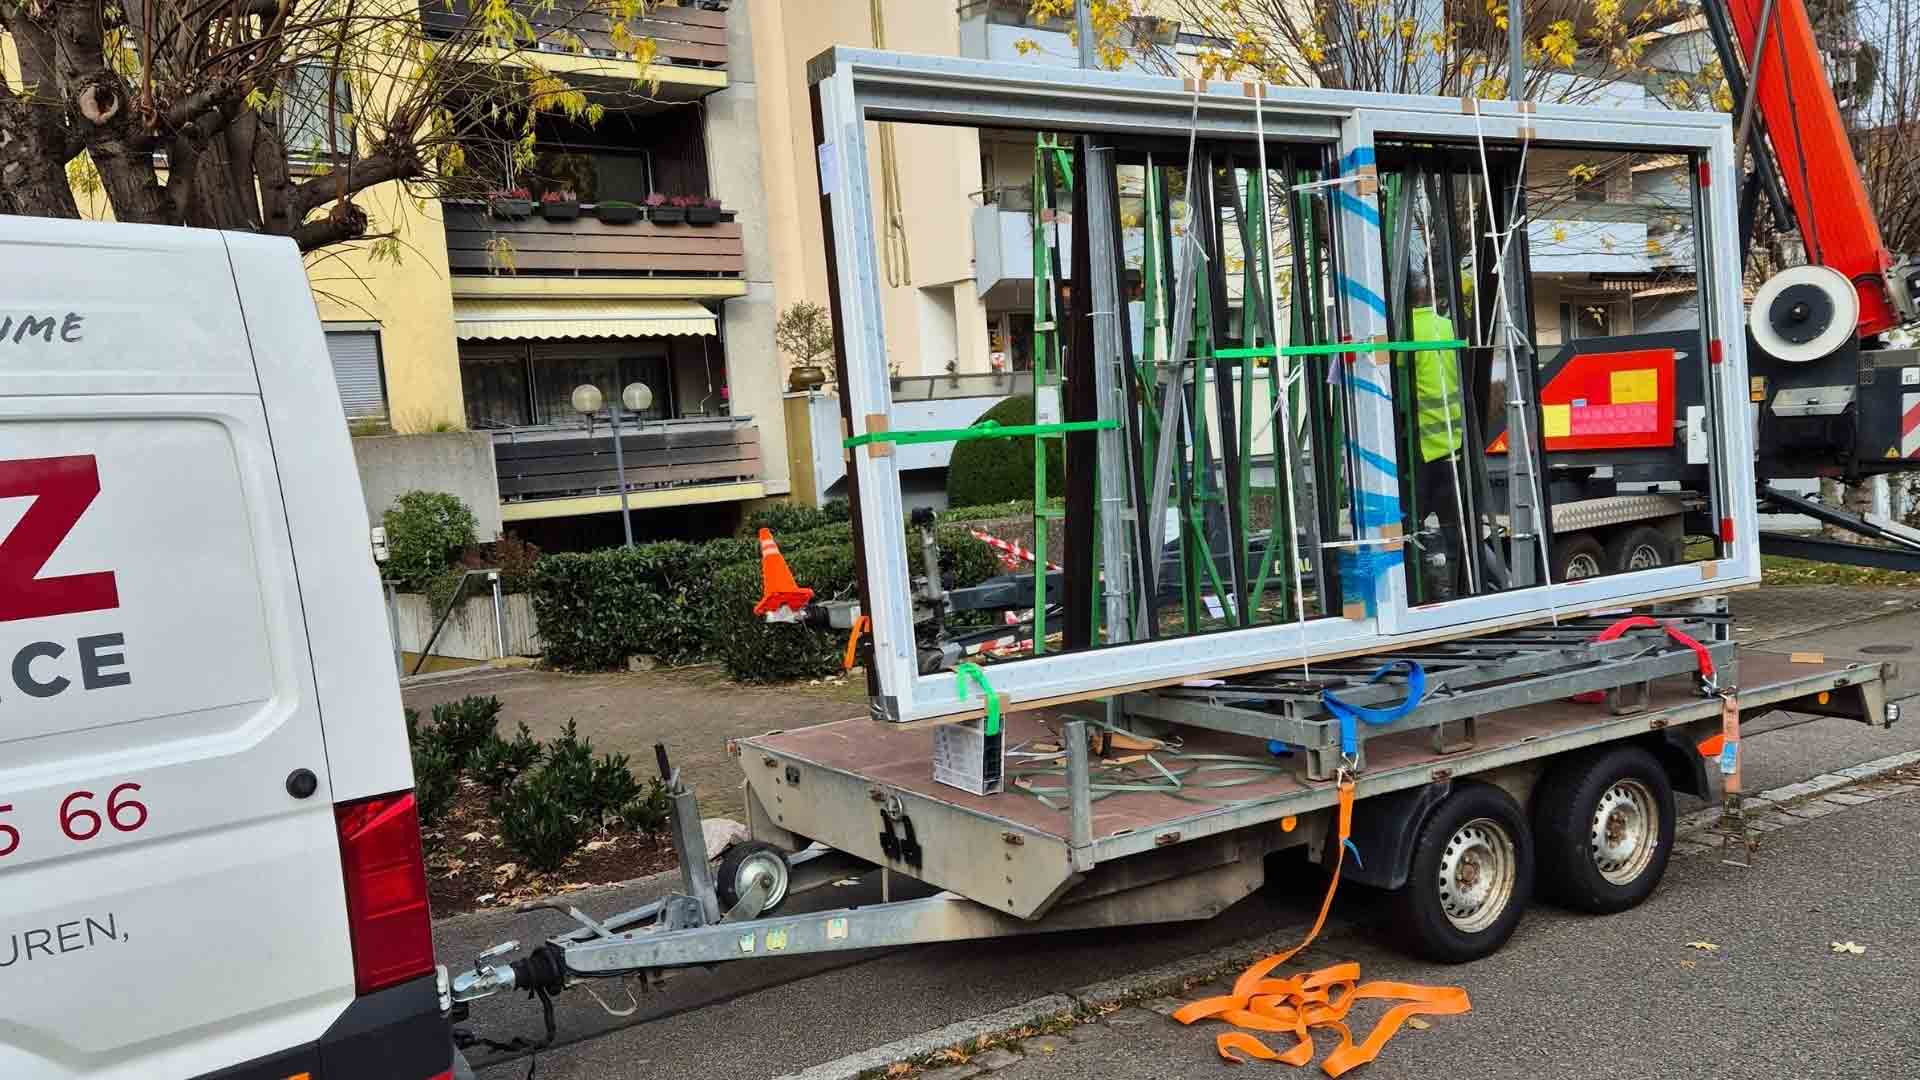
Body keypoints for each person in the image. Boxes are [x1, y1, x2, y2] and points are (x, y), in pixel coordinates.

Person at [1409, 275, 1467, 600]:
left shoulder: (1406, 333)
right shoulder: (1446, 328)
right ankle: (1458, 589)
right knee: (1452, 527)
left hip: (1421, 449)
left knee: (1411, 526)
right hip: (1452, 442)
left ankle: (1420, 589)